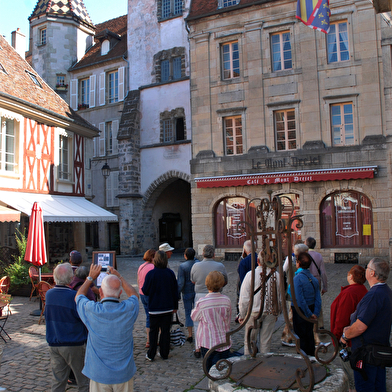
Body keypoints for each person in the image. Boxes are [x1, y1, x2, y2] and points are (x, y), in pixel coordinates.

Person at [75, 264, 139, 391]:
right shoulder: (128, 309)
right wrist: (119, 276)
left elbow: (78, 296)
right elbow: (134, 295)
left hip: (99, 373)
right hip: (123, 374)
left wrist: (90, 278)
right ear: (120, 293)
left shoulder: (92, 310)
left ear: (101, 292)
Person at [341, 258, 392, 392]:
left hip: (367, 354)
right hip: (378, 351)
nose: (366, 270)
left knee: (366, 386)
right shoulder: (386, 292)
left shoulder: (374, 295)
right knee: (378, 386)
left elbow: (361, 326)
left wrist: (345, 336)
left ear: (372, 273)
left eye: (367, 268)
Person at [44, 263, 89, 392]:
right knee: (83, 381)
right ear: (71, 278)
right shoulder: (73, 296)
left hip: (54, 342)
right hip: (73, 342)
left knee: (58, 381)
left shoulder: (49, 294)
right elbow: (82, 318)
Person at [330, 265, 367, 392]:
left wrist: (337, 336)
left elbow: (342, 318)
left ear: (351, 276)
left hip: (349, 340)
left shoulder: (349, 293)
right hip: (358, 339)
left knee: (351, 374)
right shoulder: (362, 290)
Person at [239, 251, 281, 355]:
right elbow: (279, 295)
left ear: (258, 261)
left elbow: (244, 298)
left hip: (253, 311)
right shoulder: (276, 275)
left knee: (249, 341)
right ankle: (264, 360)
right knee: (265, 342)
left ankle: (248, 362)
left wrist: (242, 314)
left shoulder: (250, 275)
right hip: (270, 311)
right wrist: (277, 311)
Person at [190, 244, 228, 358]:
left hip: (201, 294)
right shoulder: (220, 266)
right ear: (214, 254)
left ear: (203, 253)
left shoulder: (196, 266)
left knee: (198, 323)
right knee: (217, 321)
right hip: (216, 294)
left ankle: (198, 347)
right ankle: (218, 344)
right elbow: (225, 280)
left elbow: (193, 280)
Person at [191, 271, 232, 372]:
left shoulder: (202, 302)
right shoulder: (226, 300)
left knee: (209, 369)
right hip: (223, 339)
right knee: (224, 368)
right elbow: (228, 317)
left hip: (208, 341)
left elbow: (194, 317)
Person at [142, 250, 178, 361]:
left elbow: (145, 290)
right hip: (167, 308)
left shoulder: (151, 274)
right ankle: (164, 353)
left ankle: (151, 353)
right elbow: (174, 291)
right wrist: (175, 306)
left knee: (154, 332)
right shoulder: (170, 273)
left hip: (154, 308)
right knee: (165, 332)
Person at [291, 251, 321, 356]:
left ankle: (303, 359)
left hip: (300, 311)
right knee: (309, 335)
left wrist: (309, 313)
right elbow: (318, 297)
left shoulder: (297, 279)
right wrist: (315, 313)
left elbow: (300, 299)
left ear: (298, 263)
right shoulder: (313, 278)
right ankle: (311, 356)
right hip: (310, 308)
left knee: (302, 337)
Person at [281, 241, 307, 347]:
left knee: (295, 314)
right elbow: (284, 272)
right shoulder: (290, 260)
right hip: (292, 290)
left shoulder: (294, 260)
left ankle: (291, 335)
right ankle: (286, 336)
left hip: (296, 289)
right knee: (292, 314)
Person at [306, 237, 328, 344]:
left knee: (309, 301)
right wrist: (325, 286)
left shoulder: (305, 255)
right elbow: (323, 272)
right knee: (317, 300)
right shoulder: (318, 255)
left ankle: (310, 322)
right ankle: (321, 323)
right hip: (317, 279)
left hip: (307, 280)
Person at [177, 248, 198, 343]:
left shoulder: (183, 266)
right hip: (197, 291)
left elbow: (181, 282)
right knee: (198, 312)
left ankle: (190, 334)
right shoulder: (198, 264)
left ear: (185, 256)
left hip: (187, 291)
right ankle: (198, 332)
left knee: (188, 312)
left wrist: (177, 293)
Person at [137, 249, 156, 348]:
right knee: (153, 317)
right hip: (150, 294)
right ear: (152, 257)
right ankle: (153, 339)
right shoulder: (152, 267)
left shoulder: (141, 266)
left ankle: (149, 339)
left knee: (148, 316)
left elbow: (138, 280)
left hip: (142, 293)